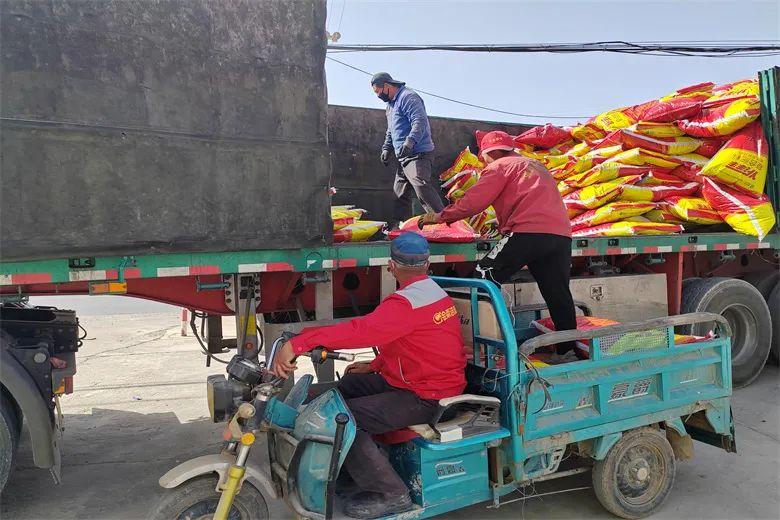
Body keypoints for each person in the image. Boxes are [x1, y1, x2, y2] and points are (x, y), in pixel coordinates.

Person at [272, 232, 466, 519]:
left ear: (391, 266)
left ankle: (391, 493)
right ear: (427, 265)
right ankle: (349, 464)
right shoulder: (433, 293)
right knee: (344, 387)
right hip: (417, 381)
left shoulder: (406, 304)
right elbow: (411, 342)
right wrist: (374, 365)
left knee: (343, 418)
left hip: (427, 395)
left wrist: (299, 343)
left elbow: (360, 331)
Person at [418, 130, 580, 359]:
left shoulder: (499, 167)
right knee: (557, 293)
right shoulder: (535, 165)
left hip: (527, 232)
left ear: (490, 153)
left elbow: (473, 203)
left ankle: (486, 345)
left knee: (483, 277)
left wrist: (440, 217)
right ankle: (567, 351)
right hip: (560, 235)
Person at [371, 72, 444, 227]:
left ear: (387, 85)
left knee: (420, 184)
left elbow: (419, 121)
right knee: (399, 193)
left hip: (418, 153)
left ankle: (443, 221)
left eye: (378, 91)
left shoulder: (408, 97)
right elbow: (391, 130)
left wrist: (410, 142)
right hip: (404, 157)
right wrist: (386, 148)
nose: (378, 95)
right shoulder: (390, 106)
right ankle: (400, 226)